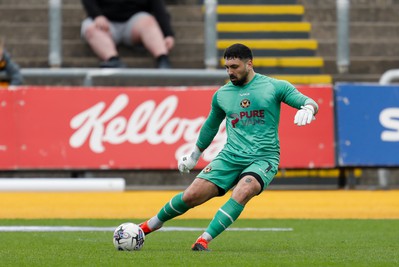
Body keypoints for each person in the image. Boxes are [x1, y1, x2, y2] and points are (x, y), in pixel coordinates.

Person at [139, 43, 319, 251]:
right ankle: (145, 228)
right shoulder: (222, 94)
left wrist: (309, 108)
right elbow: (210, 126)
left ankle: (203, 240)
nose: (230, 72)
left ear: (249, 63)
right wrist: (194, 156)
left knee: (244, 190)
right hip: (230, 156)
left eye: (234, 67)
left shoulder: (274, 86)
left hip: (264, 158)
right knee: (191, 196)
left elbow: (307, 101)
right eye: (227, 67)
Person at [80, 0, 174, 68]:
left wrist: (168, 34)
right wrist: (97, 15)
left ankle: (162, 58)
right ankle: (112, 59)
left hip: (134, 24)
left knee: (148, 21)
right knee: (91, 28)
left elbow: (158, 7)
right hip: (105, 24)